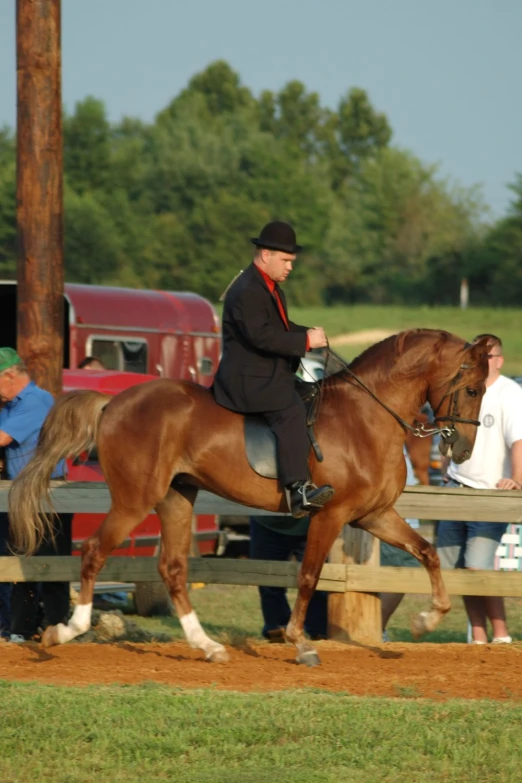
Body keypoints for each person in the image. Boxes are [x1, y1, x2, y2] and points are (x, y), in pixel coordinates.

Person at [213, 221, 334, 518]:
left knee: (312, 395)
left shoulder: (269, 287)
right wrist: (305, 340)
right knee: (290, 410)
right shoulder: (247, 290)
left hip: (265, 375)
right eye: (286, 260)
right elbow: (261, 336)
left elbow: (279, 328)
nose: (291, 267)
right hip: (246, 381)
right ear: (266, 255)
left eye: (292, 261)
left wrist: (308, 334)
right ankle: (298, 490)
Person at [436, 334, 522, 644]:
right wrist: (447, 470)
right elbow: (450, 432)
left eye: (485, 357)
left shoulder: (510, 394)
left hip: (490, 494)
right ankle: (478, 634)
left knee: (477, 568)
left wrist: (517, 479)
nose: (479, 362)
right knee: (456, 569)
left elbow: (519, 442)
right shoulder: (463, 389)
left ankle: (500, 633)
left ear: (498, 360)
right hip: (459, 487)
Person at [0, 347, 73, 643]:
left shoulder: (35, 400)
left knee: (50, 561)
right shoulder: (10, 404)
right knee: (22, 559)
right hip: (24, 493)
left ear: (8, 376)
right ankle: (24, 627)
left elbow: (2, 438)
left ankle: (55, 625)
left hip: (48, 495)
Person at [249, 514, 328, 642]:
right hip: (267, 523)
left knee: (317, 582)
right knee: (267, 578)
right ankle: (277, 627)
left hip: (313, 524)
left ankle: (318, 632)